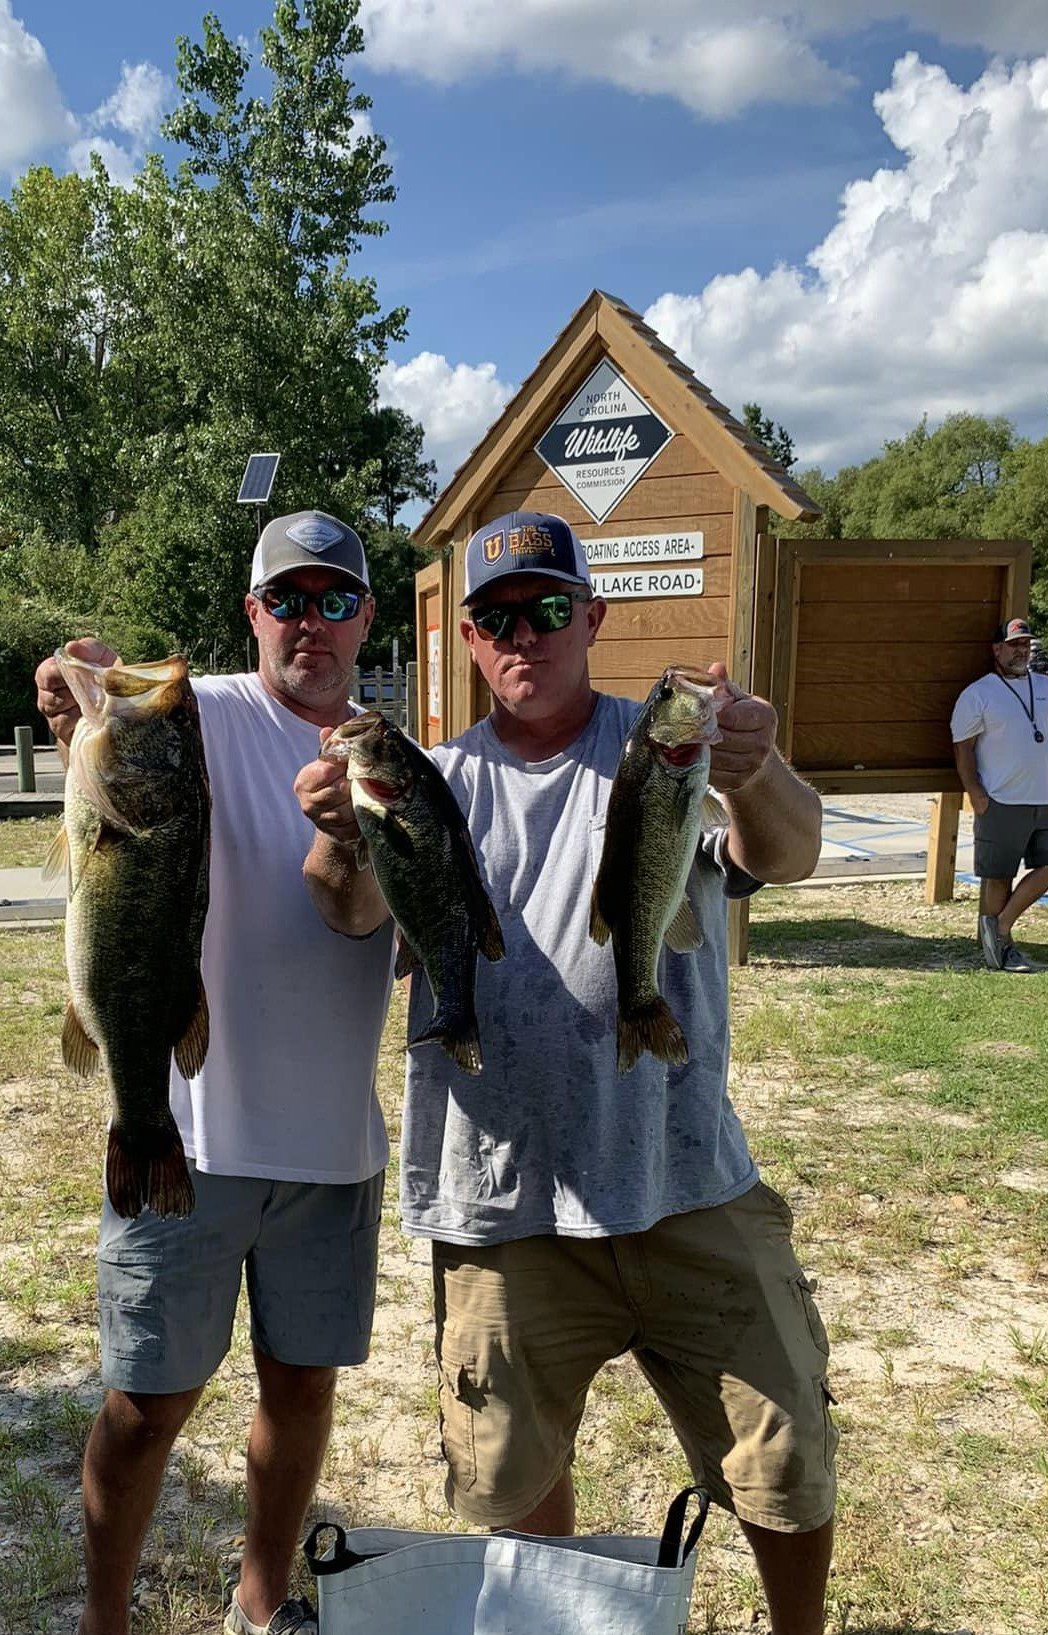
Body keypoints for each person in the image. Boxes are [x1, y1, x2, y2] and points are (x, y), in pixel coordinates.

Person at [297, 511, 834, 1635]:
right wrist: (345, 835)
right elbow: (352, 917)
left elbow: (784, 852)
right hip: (503, 1195)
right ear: (468, 639)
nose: (523, 637)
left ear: (592, 618)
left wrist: (757, 768)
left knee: (782, 1451)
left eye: (547, 610)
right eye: (496, 619)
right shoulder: (432, 779)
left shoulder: (661, 750)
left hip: (683, 1175)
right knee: (513, 1477)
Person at [36, 511, 393, 1635]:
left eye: (334, 600)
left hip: (333, 1148)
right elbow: (100, 709)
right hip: (187, 1130)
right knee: (145, 1405)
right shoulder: (203, 715)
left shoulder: (392, 757)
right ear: (253, 614)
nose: (309, 621)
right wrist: (77, 683)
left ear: (366, 618)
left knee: (302, 1391)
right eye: (286, 599)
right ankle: (104, 1620)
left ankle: (260, 1598)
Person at [951, 618, 1048, 972]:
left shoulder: (1046, 687)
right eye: (1014, 644)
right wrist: (976, 793)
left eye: (1026, 644)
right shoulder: (978, 693)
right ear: (997, 649)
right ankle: (1000, 951)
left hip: (1044, 799)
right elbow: (962, 749)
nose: (1022, 650)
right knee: (999, 875)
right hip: (1000, 800)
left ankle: (1001, 926)